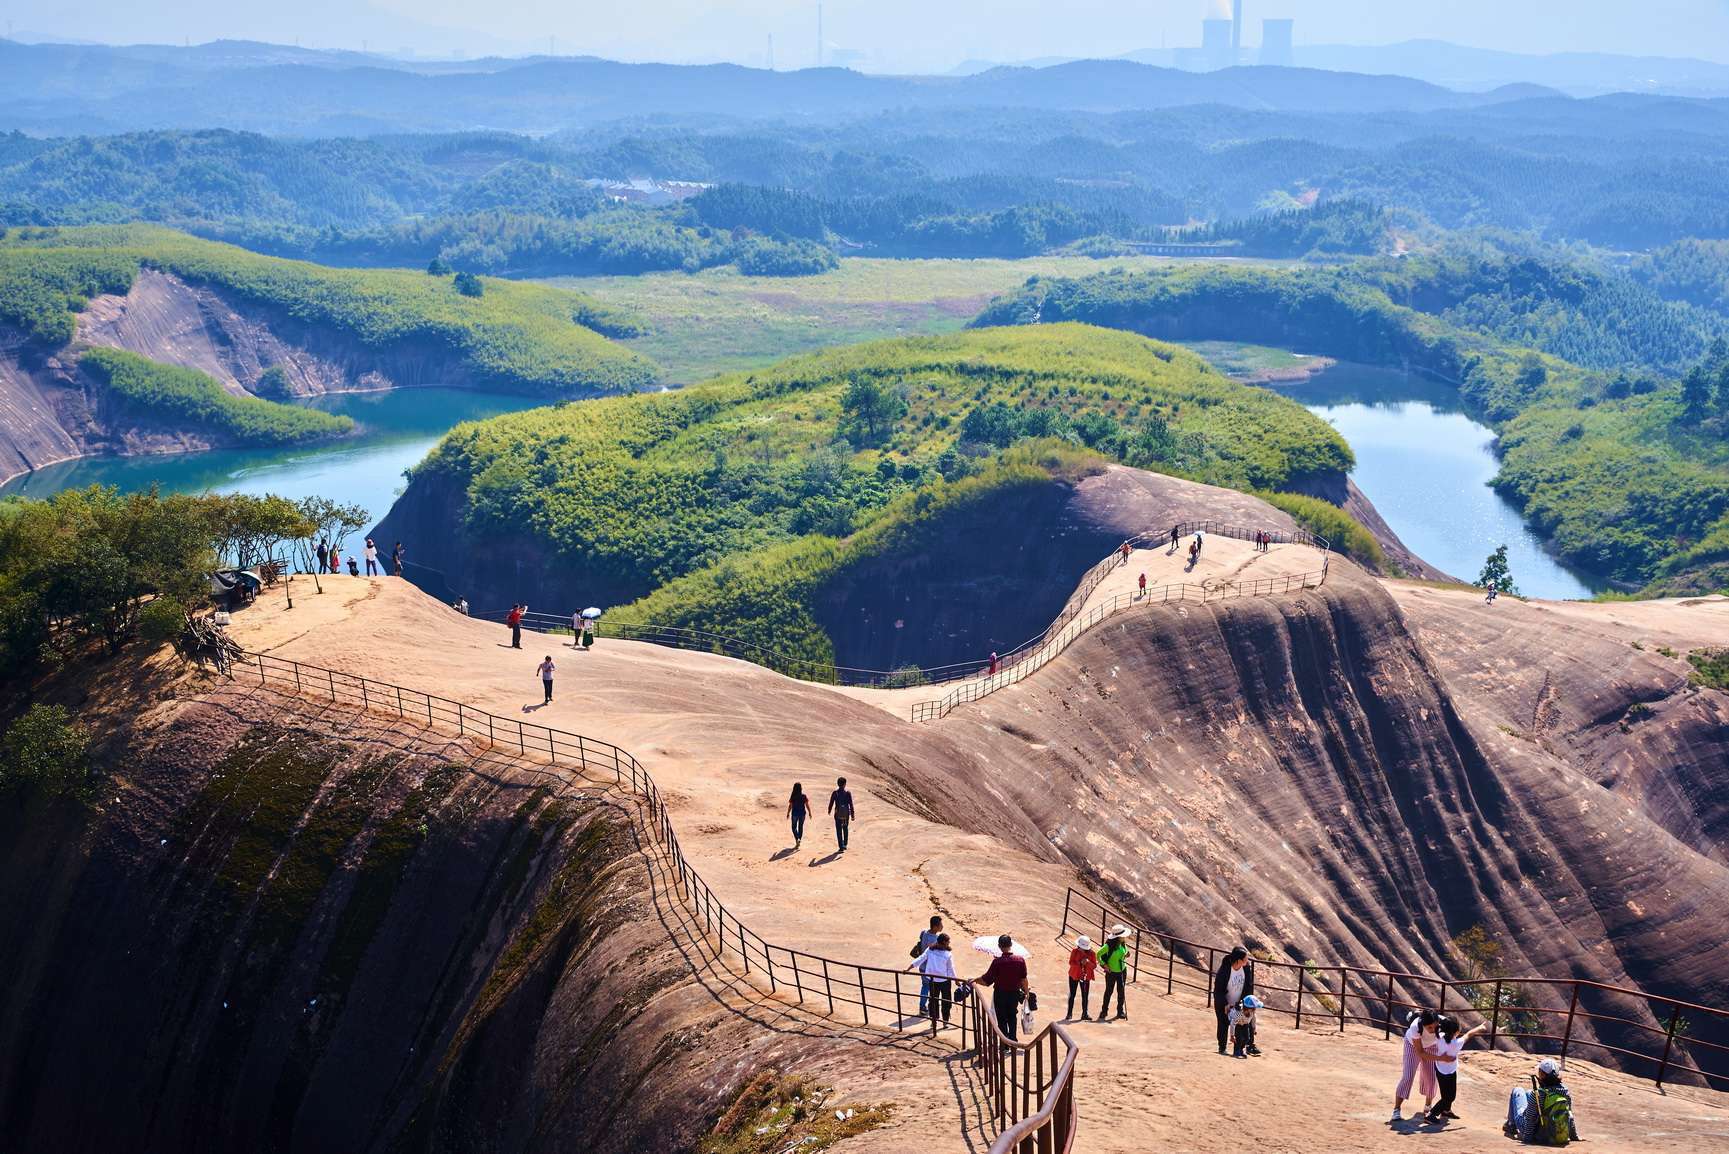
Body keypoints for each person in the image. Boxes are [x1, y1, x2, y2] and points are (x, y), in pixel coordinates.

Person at [1426, 1016, 1489, 1125]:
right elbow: (1468, 1034)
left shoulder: (1439, 1037)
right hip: (1449, 1072)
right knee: (1449, 1096)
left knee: (1445, 1092)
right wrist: (1480, 1028)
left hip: (1440, 1069)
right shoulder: (1456, 1044)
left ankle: (1446, 1110)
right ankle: (1431, 1114)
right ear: (1456, 1031)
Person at [1505, 1058, 1580, 1144]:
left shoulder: (1539, 1094)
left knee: (1518, 1090)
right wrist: (1574, 1136)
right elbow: (1568, 1114)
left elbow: (1530, 1119)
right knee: (1529, 1092)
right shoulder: (1565, 1092)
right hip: (1555, 1129)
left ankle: (1511, 1124)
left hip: (1538, 1132)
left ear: (1542, 1074)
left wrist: (1527, 1139)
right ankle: (1511, 1123)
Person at [973, 934, 1030, 1041]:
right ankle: (1013, 1040)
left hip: (1000, 994)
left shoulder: (997, 962)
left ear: (999, 946)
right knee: (1012, 1016)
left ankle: (1004, 1043)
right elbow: (1024, 979)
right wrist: (1026, 992)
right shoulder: (1020, 960)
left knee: (1001, 1018)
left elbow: (986, 980)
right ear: (1011, 944)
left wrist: (975, 980)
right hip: (1014, 993)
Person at [1392, 1009, 1441, 1122]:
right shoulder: (1415, 1027)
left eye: (1435, 1027)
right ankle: (1396, 1110)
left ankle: (1428, 1109)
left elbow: (1454, 1033)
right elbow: (1420, 1052)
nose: (1433, 1030)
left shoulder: (1443, 1023)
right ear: (1423, 1025)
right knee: (1407, 1077)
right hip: (1413, 1046)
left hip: (1432, 1046)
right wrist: (1440, 1058)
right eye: (1429, 1028)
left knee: (1431, 1079)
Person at [908, 932, 958, 1034]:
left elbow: (950, 968)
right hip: (939, 980)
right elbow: (921, 959)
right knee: (938, 1000)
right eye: (948, 942)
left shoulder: (943, 953)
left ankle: (942, 1020)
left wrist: (955, 979)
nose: (949, 943)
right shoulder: (932, 951)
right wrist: (909, 967)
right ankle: (939, 1021)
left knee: (941, 1001)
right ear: (943, 942)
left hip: (940, 980)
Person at [1213, 946, 1256, 1054]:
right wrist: (1225, 1004)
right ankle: (1222, 1047)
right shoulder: (1225, 970)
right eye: (1245, 959)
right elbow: (1218, 989)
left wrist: (1248, 1002)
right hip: (1224, 1003)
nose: (1247, 961)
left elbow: (1248, 985)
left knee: (1243, 1025)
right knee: (1223, 1024)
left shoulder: (1246, 968)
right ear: (1239, 960)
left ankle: (1242, 1048)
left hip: (1240, 1003)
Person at [1097, 925, 1131, 1021]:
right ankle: (1104, 1011)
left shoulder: (1123, 943)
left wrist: (1127, 955)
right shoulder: (1108, 946)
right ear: (1118, 937)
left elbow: (1125, 953)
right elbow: (1098, 954)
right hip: (1111, 972)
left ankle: (1120, 1011)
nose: (1125, 937)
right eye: (1123, 936)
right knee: (1109, 991)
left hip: (1122, 970)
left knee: (1121, 991)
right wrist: (1104, 965)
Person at [912, 915, 944, 1015]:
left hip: (922, 966)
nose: (942, 926)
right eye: (940, 925)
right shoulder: (936, 939)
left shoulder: (924, 932)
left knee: (925, 986)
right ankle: (924, 1007)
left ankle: (923, 1006)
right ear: (935, 927)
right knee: (930, 987)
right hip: (930, 968)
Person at [1067, 934, 1098, 1021]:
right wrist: (1080, 963)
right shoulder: (1074, 951)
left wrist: (1087, 962)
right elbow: (1071, 962)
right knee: (1072, 994)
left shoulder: (1092, 954)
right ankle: (1069, 1013)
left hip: (1085, 977)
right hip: (1074, 975)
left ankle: (1085, 1013)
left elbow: (1094, 966)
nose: (1079, 948)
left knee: (1085, 995)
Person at [828, 776, 855, 851]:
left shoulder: (835, 793)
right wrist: (852, 815)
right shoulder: (848, 793)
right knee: (845, 828)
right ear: (844, 784)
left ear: (838, 784)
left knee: (839, 829)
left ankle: (841, 846)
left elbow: (831, 802)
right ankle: (845, 844)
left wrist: (829, 810)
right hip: (846, 814)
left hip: (837, 814)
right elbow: (851, 804)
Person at [1230, 993, 1261, 1058]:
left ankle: (1241, 1049)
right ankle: (1236, 1051)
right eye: (1253, 1008)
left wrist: (1254, 1028)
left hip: (1245, 1024)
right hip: (1238, 1025)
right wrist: (1232, 1035)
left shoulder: (1252, 1012)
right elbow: (1233, 1023)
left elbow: (1253, 1019)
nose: (1254, 1009)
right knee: (1238, 1038)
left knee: (1247, 1038)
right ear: (1247, 1007)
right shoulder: (1239, 1013)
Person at [787, 782, 813, 847]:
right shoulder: (804, 796)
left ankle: (797, 838)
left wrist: (788, 813)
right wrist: (810, 812)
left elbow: (790, 806)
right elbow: (807, 805)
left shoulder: (793, 796)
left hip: (795, 814)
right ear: (801, 788)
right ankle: (799, 839)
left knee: (793, 827)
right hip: (802, 814)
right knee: (800, 827)